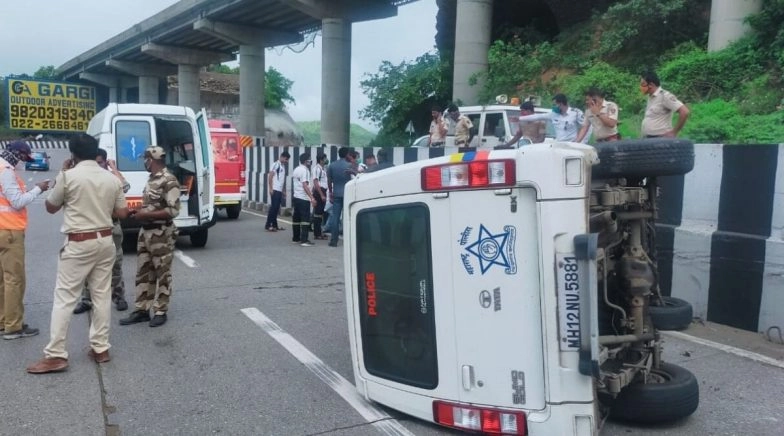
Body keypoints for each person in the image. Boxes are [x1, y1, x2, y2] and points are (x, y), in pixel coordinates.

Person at [26, 134, 128, 374]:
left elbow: (50, 207)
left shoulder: (68, 177)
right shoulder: (111, 179)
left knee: (65, 298)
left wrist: (62, 174)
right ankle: (101, 348)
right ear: (95, 153)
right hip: (105, 241)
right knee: (101, 296)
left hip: (79, 243)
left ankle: (56, 354)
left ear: (73, 154)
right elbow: (122, 212)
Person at [119, 146, 180, 328]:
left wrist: (145, 215)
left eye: (145, 159)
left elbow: (173, 210)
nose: (144, 162)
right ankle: (141, 310)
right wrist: (139, 211)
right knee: (143, 272)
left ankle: (161, 311)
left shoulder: (169, 180)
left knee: (162, 273)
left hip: (161, 234)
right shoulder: (151, 179)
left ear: (151, 160)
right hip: (145, 233)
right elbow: (152, 205)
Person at [0, 141, 49, 340]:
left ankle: (4, 320)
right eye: (22, 158)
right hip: (10, 231)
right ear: (15, 154)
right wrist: (38, 189)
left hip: (2, 229)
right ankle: (13, 327)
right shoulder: (6, 171)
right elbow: (17, 202)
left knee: (3, 281)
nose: (22, 162)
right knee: (14, 280)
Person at [73, 148, 131, 314]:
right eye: (95, 162)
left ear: (105, 162)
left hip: (111, 227)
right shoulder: (85, 178)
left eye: (100, 162)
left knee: (115, 264)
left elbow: (125, 186)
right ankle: (87, 300)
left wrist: (114, 168)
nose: (97, 165)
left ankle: (118, 297)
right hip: (89, 228)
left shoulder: (112, 179)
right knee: (87, 265)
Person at [502, 95, 585, 146]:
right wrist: (519, 118)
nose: (554, 106)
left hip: (573, 145)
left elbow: (586, 126)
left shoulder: (576, 112)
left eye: (555, 104)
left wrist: (579, 141)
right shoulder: (553, 114)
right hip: (559, 145)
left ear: (561, 103)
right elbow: (537, 116)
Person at [640, 71, 690, 138]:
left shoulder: (665, 96)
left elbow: (684, 112)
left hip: (660, 139)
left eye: (643, 84)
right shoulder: (650, 97)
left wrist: (674, 132)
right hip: (649, 139)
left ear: (651, 85)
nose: (641, 87)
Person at [326, 147, 355, 247]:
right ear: (347, 154)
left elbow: (329, 181)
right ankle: (349, 240)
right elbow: (357, 175)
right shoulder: (350, 165)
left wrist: (330, 192)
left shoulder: (331, 165)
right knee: (348, 217)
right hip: (347, 194)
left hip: (336, 194)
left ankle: (334, 240)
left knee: (335, 217)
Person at [291, 153, 317, 247]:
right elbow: (305, 185)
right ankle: (304, 240)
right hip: (303, 198)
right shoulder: (305, 170)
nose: (311, 161)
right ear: (306, 161)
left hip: (296, 197)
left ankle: (296, 238)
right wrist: (312, 198)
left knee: (296, 219)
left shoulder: (296, 169)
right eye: (309, 159)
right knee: (305, 219)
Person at [265, 151, 290, 232]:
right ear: (282, 157)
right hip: (275, 189)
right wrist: (270, 188)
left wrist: (283, 191)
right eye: (286, 159)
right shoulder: (276, 164)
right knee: (273, 208)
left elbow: (281, 180)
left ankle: (275, 225)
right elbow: (270, 176)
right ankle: (268, 225)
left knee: (276, 208)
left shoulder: (283, 166)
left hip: (279, 190)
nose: (287, 161)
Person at [311, 153, 329, 240]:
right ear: (321, 160)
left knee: (320, 213)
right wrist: (321, 194)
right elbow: (315, 182)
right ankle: (317, 233)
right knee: (317, 214)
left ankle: (319, 232)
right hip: (319, 192)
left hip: (323, 191)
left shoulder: (323, 169)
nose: (326, 160)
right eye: (325, 159)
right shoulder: (317, 169)